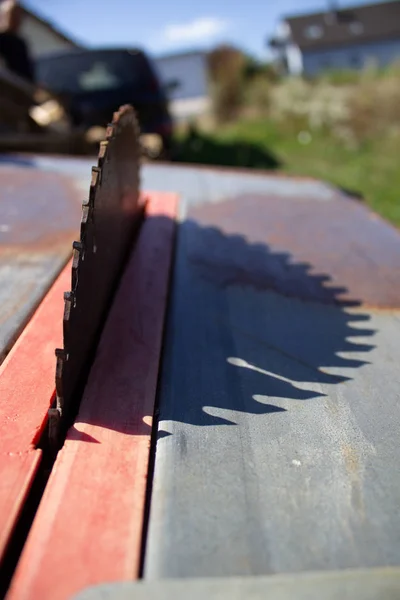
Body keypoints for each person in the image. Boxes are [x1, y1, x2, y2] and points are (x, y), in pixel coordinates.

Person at [0, 0, 34, 82]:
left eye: (18, 16)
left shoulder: (20, 45)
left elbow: (27, 75)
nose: (16, 19)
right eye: (12, 14)